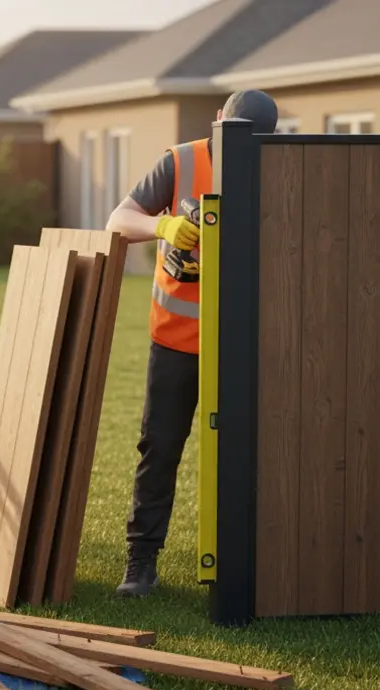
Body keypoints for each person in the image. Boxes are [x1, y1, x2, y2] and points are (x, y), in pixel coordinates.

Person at [103, 89, 279, 597]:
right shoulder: (178, 161)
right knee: (159, 449)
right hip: (176, 340)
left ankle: (252, 563)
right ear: (218, 119)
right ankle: (141, 563)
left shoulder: (277, 168)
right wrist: (163, 225)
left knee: (251, 454)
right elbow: (119, 219)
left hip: (245, 344)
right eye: (232, 133)